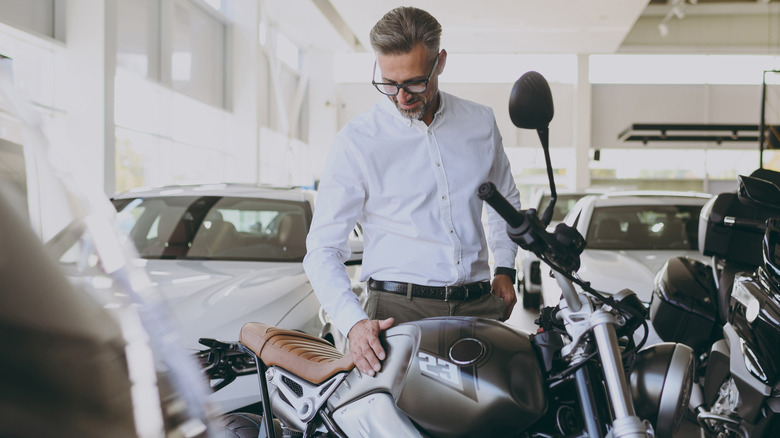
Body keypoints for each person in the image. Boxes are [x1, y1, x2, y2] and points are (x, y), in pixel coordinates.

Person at [303, 6, 522, 377]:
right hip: (396, 314)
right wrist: (354, 323)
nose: (401, 96)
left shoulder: (481, 122)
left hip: (479, 307)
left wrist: (504, 267)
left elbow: (505, 202)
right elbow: (323, 248)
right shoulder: (356, 141)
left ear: (441, 63)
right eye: (389, 84)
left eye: (415, 83)